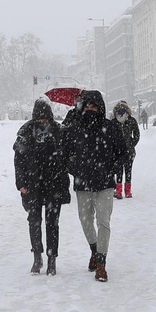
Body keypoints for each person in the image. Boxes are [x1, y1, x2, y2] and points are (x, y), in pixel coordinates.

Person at [65, 90, 128, 282]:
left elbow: (123, 152)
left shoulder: (111, 128)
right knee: (85, 220)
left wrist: (112, 168)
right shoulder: (74, 128)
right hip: (82, 181)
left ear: (100, 107)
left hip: (105, 183)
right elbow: (65, 153)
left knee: (103, 221)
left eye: (94, 106)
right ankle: (94, 249)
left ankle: (101, 262)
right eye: (87, 106)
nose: (90, 110)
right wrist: (75, 169)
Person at [14, 98, 70, 275]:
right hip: (33, 183)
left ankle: (52, 259)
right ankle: (37, 257)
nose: (42, 123)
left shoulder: (58, 131)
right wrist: (21, 183)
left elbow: (66, 159)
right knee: (34, 221)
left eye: (45, 120)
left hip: (54, 182)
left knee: (52, 222)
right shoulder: (25, 132)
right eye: (39, 120)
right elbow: (19, 160)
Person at [113, 100, 141, 198]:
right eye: (119, 107)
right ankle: (119, 191)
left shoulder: (131, 120)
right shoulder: (113, 121)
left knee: (128, 170)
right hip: (117, 151)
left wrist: (131, 144)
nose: (121, 109)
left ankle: (127, 191)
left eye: (123, 107)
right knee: (119, 171)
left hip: (128, 151)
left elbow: (137, 135)